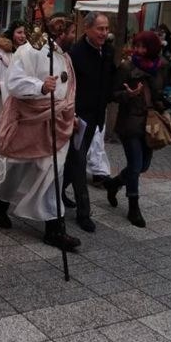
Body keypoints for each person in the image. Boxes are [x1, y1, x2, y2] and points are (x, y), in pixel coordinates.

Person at [0, 18, 81, 251]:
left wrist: (71, 113)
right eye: (72, 31)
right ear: (60, 31)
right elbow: (15, 82)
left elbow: (67, 90)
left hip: (57, 122)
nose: (74, 35)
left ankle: (54, 228)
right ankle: (0, 202)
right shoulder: (30, 50)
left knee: (52, 171)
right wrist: (40, 86)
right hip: (32, 118)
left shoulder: (65, 57)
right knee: (18, 165)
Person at [105, 31, 169, 228]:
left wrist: (165, 102)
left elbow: (159, 93)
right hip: (129, 122)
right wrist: (128, 95)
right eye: (137, 46)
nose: (139, 50)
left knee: (143, 166)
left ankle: (115, 183)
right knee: (134, 165)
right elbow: (112, 93)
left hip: (150, 124)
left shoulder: (162, 67)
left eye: (144, 46)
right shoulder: (126, 67)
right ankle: (134, 206)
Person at [62, 12, 115, 232]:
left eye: (106, 28)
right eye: (100, 28)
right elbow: (68, 88)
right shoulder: (75, 54)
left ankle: (55, 192)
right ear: (87, 29)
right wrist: (71, 114)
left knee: (73, 161)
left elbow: (107, 84)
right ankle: (84, 212)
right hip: (78, 117)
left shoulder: (107, 52)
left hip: (95, 116)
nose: (104, 33)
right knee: (79, 161)